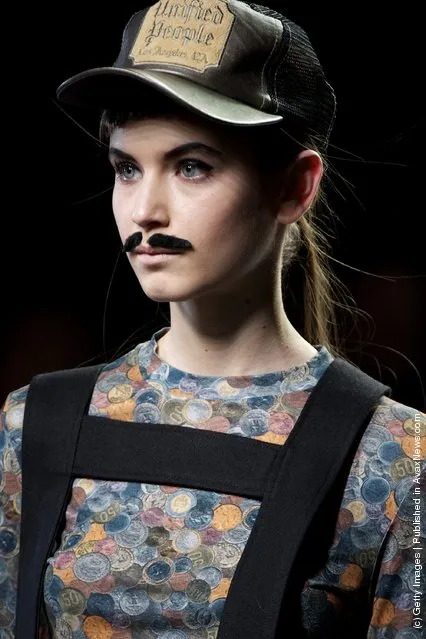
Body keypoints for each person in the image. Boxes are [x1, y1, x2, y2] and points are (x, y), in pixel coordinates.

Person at [1, 1, 425, 637]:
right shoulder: (33, 426)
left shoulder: (393, 457)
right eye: (126, 168)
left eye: (192, 166)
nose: (146, 211)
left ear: (295, 187)